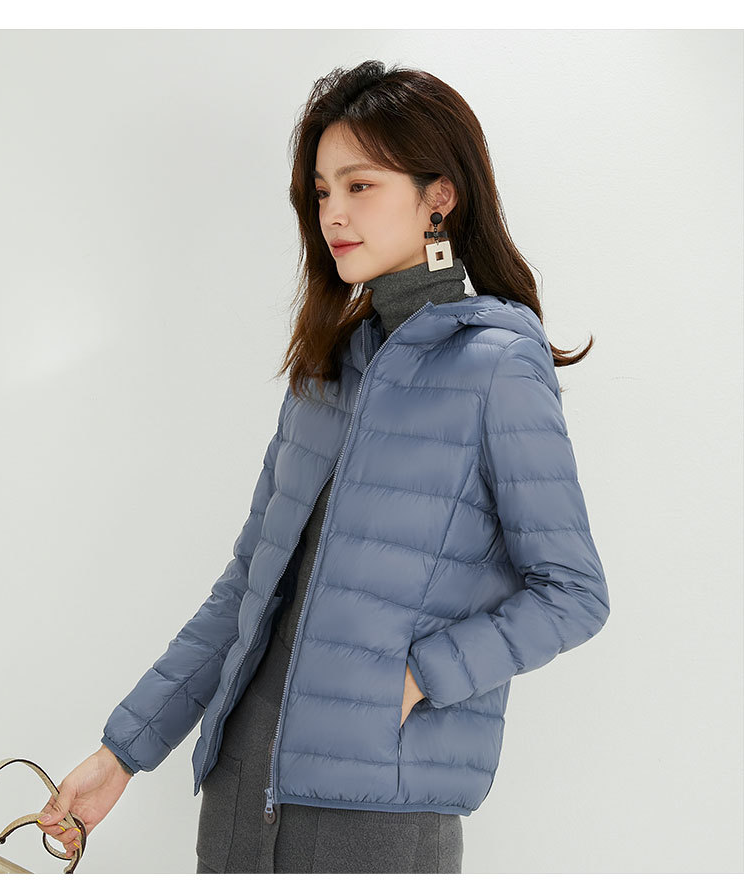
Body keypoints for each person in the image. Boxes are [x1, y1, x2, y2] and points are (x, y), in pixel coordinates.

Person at [35, 60, 610, 874]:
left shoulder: (496, 368)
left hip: (378, 814)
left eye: (360, 186)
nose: (333, 212)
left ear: (439, 196)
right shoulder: (327, 371)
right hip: (240, 790)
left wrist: (418, 678)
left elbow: (574, 593)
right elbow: (248, 588)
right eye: (320, 191)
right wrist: (122, 753)